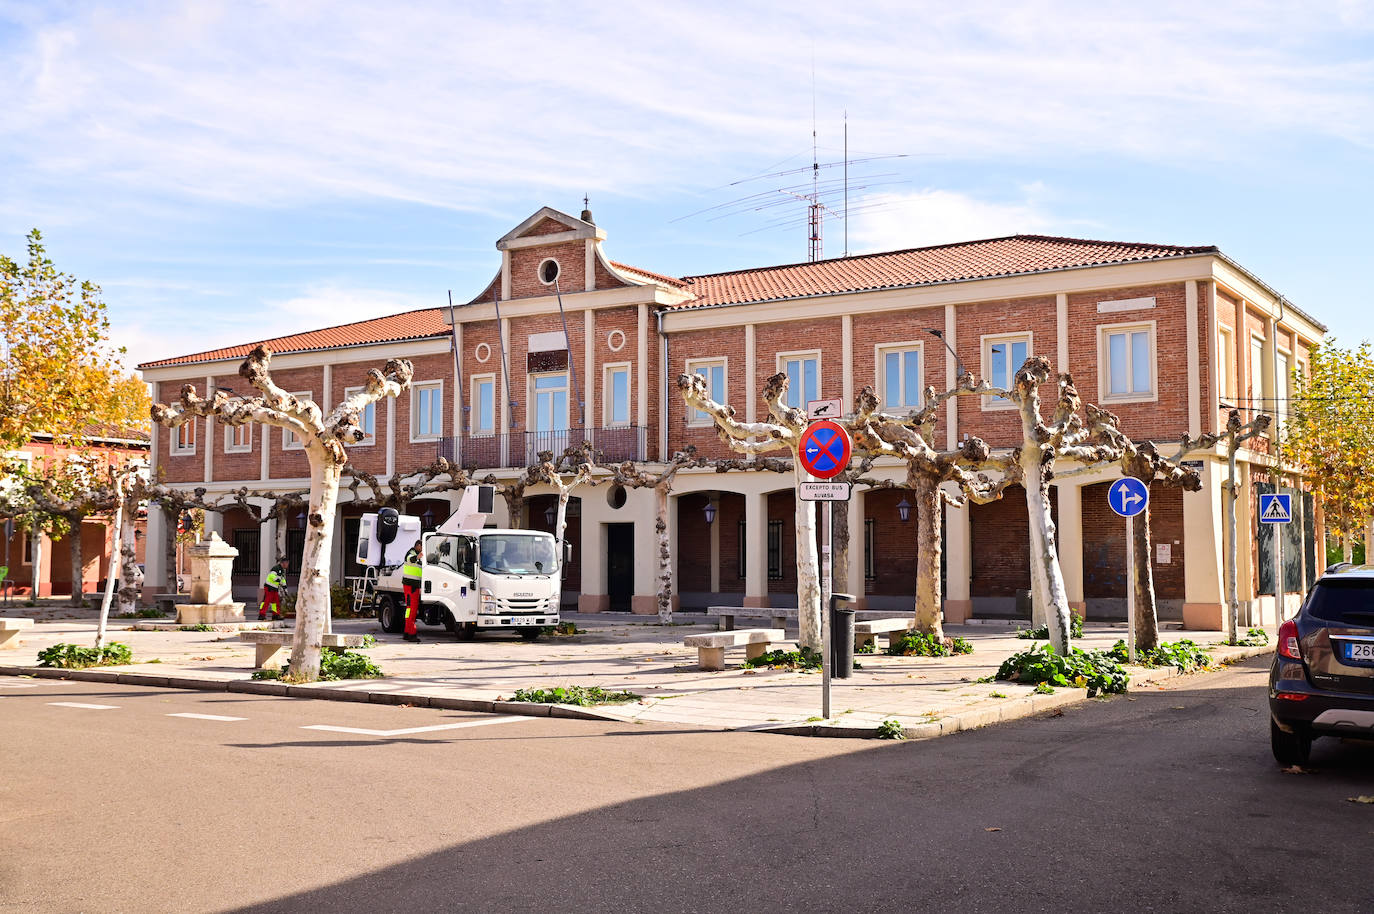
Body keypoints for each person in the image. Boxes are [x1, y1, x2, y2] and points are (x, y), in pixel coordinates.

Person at [401, 539, 422, 643]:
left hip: (411, 586)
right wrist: (419, 556)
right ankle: (412, 634)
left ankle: (407, 632)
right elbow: (411, 559)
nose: (422, 549)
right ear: (418, 546)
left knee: (409, 610)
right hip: (411, 586)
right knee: (412, 610)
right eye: (421, 547)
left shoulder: (415, 553)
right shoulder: (411, 553)